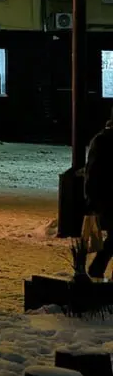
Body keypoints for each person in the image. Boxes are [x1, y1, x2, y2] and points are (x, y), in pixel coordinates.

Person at [85, 113, 113, 279]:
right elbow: (93, 174)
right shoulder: (103, 141)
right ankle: (96, 268)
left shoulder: (102, 140)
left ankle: (97, 268)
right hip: (108, 199)